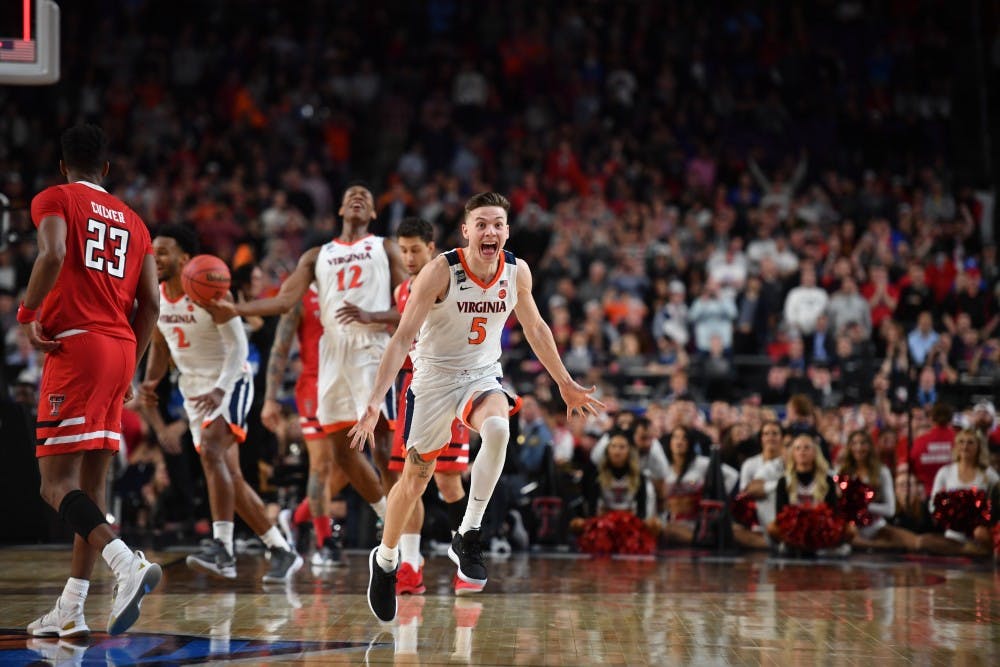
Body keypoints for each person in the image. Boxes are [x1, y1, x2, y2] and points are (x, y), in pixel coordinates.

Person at [349, 192, 603, 622]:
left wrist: (566, 383)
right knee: (413, 481)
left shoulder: (516, 271)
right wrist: (375, 403)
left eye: (498, 224)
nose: (490, 231)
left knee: (500, 430)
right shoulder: (438, 271)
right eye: (481, 224)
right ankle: (387, 559)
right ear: (466, 231)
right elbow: (400, 339)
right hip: (431, 380)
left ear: (507, 230)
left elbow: (536, 327)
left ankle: (468, 532)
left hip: (481, 378)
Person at [22, 124, 162, 637]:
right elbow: (152, 304)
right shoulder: (135, 221)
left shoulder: (54, 197)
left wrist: (27, 312)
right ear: (107, 169)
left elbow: (53, 254)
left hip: (77, 345)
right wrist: (134, 364)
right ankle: (72, 608)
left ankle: (125, 564)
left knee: (53, 485)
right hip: (123, 347)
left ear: (63, 166)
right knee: (90, 489)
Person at [215, 185, 402, 530]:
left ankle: (400, 538)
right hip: (330, 354)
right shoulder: (317, 256)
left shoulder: (384, 247)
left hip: (370, 345)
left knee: (381, 445)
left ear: (374, 213)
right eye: (350, 196)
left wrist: (373, 316)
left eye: (366, 196)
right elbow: (284, 302)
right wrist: (235, 309)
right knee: (342, 453)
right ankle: (386, 515)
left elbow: (410, 304)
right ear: (340, 211)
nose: (358, 197)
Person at [139, 225, 302, 583]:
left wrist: (221, 390)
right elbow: (161, 345)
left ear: (185, 259)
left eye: (163, 252)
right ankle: (280, 549)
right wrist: (150, 381)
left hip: (231, 380)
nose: (156, 258)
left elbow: (240, 348)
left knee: (212, 453)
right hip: (195, 389)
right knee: (231, 479)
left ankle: (223, 549)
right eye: (154, 251)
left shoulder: (209, 291)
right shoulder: (158, 297)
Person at [386, 217, 472, 595]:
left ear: (431, 249)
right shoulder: (401, 290)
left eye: (415, 250)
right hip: (411, 388)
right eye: (403, 250)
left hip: (449, 384)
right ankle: (409, 564)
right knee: (409, 480)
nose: (408, 257)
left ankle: (464, 555)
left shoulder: (451, 281)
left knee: (448, 479)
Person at [265, 280, 350, 568]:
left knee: (349, 468)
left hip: (350, 385)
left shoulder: (355, 287)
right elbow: (279, 348)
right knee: (321, 466)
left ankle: (295, 517)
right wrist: (270, 398)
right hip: (314, 387)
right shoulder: (302, 297)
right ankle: (325, 541)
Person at [838, 430, 919, 552]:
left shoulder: (882, 471)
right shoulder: (842, 472)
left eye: (863, 443)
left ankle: (869, 545)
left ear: (870, 446)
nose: (858, 448)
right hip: (850, 529)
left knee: (911, 544)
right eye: (854, 443)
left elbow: (890, 510)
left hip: (877, 528)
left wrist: (863, 505)